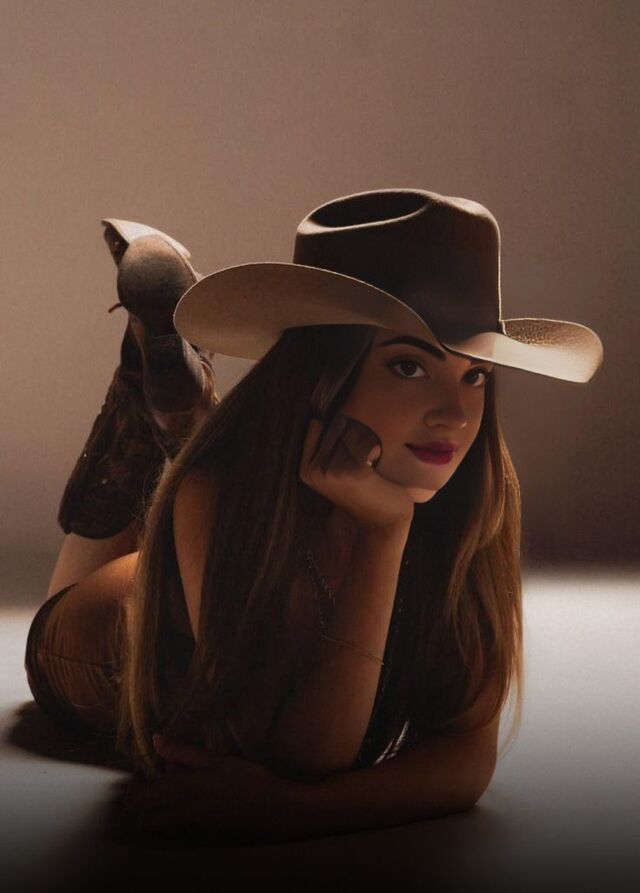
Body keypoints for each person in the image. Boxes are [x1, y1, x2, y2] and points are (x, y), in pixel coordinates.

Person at [24, 189, 604, 842]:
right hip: (97, 643)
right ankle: (145, 401)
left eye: (475, 375)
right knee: (102, 572)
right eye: (408, 366)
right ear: (322, 371)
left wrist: (300, 811)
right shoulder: (215, 491)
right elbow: (290, 757)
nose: (455, 414)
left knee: (214, 485)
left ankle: (172, 414)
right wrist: (384, 534)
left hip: (223, 536)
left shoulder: (481, 496)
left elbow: (465, 760)